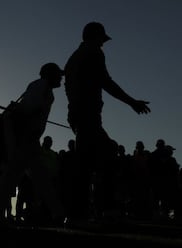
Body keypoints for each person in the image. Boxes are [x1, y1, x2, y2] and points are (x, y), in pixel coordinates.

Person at [64, 22, 151, 220]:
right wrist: (131, 102)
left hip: (78, 113)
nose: (103, 44)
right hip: (87, 113)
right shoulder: (93, 52)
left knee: (89, 161)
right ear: (95, 37)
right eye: (101, 40)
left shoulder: (73, 58)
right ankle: (100, 210)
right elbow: (105, 82)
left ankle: (83, 212)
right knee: (104, 156)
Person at [0, 62, 64, 224]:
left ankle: (58, 213)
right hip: (25, 138)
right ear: (50, 74)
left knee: (37, 176)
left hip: (29, 139)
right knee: (14, 176)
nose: (61, 78)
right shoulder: (41, 86)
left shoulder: (44, 88)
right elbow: (28, 109)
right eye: (59, 75)